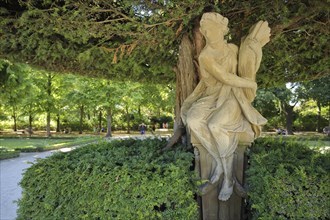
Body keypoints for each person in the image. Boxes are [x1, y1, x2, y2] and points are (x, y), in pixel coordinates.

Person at [181, 12, 269, 201]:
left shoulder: (233, 49)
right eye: (206, 31)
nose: (209, 34)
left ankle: (228, 178)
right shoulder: (206, 55)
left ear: (223, 30)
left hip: (233, 95)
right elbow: (225, 76)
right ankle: (219, 163)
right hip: (212, 95)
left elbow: (248, 67)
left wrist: (253, 52)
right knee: (193, 119)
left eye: (214, 30)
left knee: (216, 125)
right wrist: (250, 84)